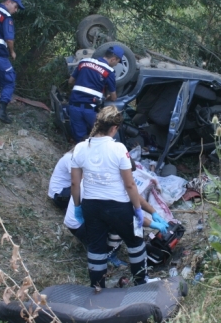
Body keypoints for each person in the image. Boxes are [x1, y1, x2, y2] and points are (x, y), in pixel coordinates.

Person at [70, 106, 164, 287]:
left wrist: (77, 206)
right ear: (114, 128)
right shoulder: (118, 148)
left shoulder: (80, 148)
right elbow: (129, 184)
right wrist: (137, 209)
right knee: (135, 241)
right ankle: (141, 281)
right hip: (117, 206)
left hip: (91, 205)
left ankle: (97, 287)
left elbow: (75, 183)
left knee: (96, 247)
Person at [67, 45, 124, 142]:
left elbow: (70, 81)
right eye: (118, 62)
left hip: (74, 107)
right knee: (103, 136)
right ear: (113, 59)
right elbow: (114, 97)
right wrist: (108, 97)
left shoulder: (84, 62)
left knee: (80, 139)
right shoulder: (109, 72)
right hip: (90, 110)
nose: (116, 64)